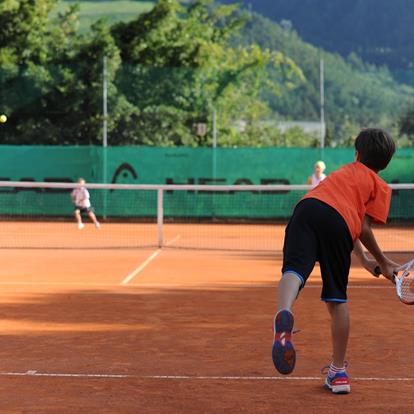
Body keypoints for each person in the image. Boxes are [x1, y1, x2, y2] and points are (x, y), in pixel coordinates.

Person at [272, 128, 399, 394]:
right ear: (385, 164)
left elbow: (338, 211)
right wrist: (383, 261)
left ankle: (284, 313)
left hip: (306, 209)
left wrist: (363, 259)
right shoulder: (380, 187)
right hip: (339, 224)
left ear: (356, 154)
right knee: (336, 298)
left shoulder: (343, 172)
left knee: (294, 271)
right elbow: (358, 226)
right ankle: (338, 372)